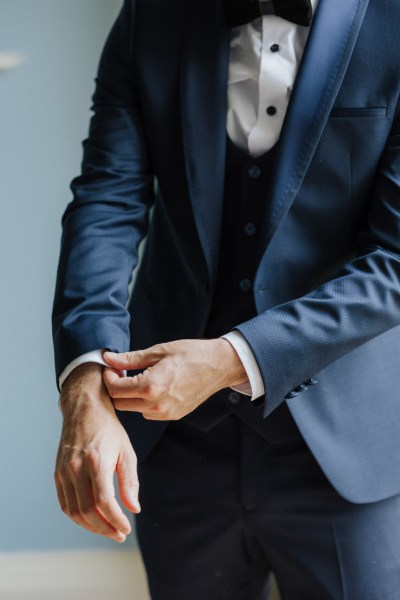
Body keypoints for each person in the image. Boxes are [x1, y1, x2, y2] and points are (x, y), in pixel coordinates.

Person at [52, 0, 400, 598]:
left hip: (345, 445)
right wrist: (84, 381)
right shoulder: (150, 16)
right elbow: (106, 203)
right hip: (174, 445)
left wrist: (234, 359)